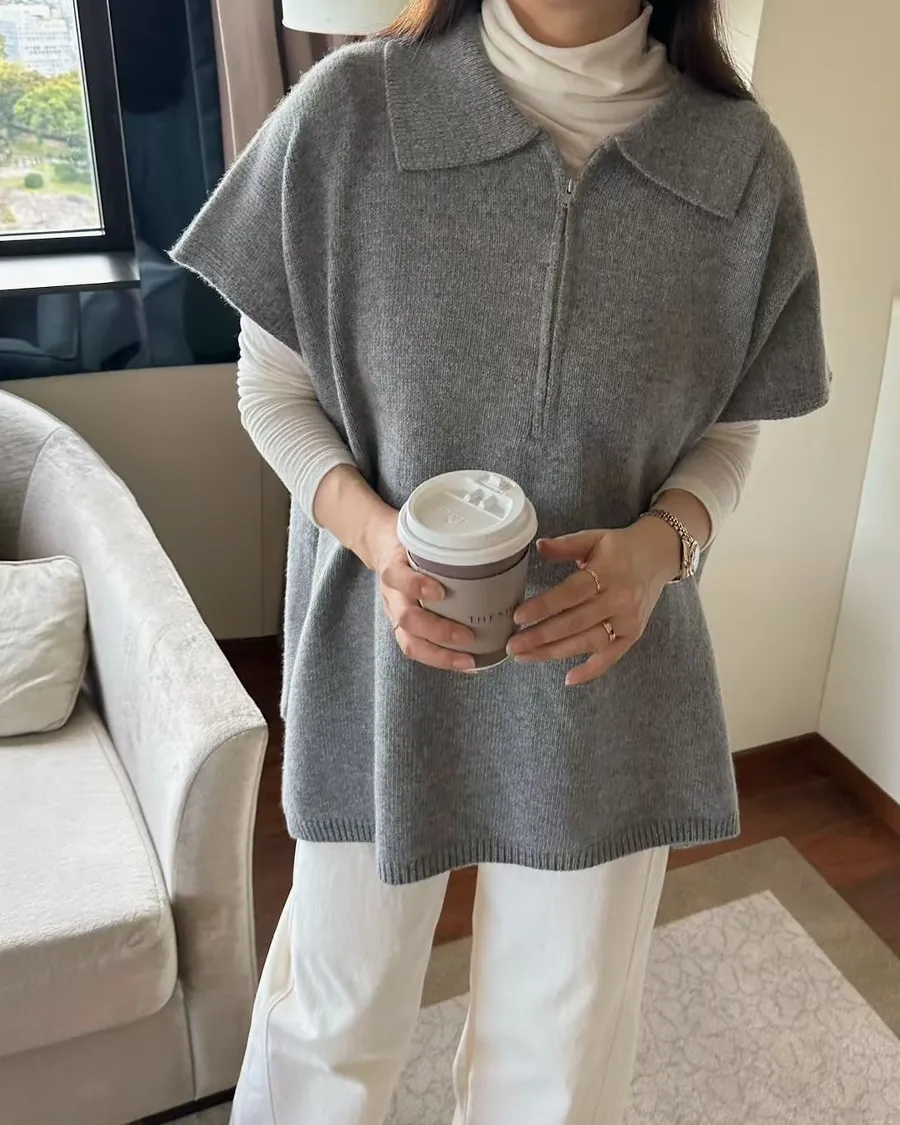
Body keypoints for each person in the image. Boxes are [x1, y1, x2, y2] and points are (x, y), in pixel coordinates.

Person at [172, 0, 830, 1121]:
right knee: (330, 1028)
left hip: (604, 679)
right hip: (386, 656)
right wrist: (378, 540)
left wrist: (661, 551)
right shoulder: (353, 113)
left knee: (558, 1060)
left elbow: (730, 429)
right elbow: (272, 389)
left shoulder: (740, 168)